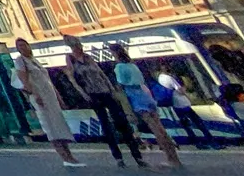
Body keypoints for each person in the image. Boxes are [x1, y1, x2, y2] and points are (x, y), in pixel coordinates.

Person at [59, 35, 144, 167]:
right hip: (92, 94)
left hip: (104, 91)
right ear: (71, 47)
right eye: (75, 46)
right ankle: (118, 157)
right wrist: (84, 94)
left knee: (121, 121)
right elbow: (72, 78)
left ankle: (137, 154)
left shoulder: (88, 57)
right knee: (106, 125)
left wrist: (111, 89)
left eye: (79, 45)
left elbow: (101, 74)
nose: (79, 48)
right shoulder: (70, 59)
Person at [110, 44, 181, 168]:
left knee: (155, 131)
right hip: (145, 95)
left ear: (114, 53)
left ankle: (171, 159)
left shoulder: (119, 67)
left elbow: (121, 84)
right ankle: (174, 158)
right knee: (161, 130)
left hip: (136, 98)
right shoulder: (133, 65)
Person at [10, 39, 78, 168]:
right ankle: (64, 157)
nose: (23, 48)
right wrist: (35, 94)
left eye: (24, 45)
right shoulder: (20, 61)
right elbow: (24, 79)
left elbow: (48, 81)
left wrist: (58, 97)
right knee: (50, 126)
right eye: (20, 46)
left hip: (50, 97)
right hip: (39, 97)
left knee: (59, 125)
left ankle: (70, 155)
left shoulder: (34, 60)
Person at [153, 69, 216, 149]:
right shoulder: (170, 78)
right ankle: (210, 140)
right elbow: (180, 91)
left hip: (175, 104)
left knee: (186, 124)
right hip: (182, 103)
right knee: (198, 122)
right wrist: (185, 87)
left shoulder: (160, 78)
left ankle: (194, 140)